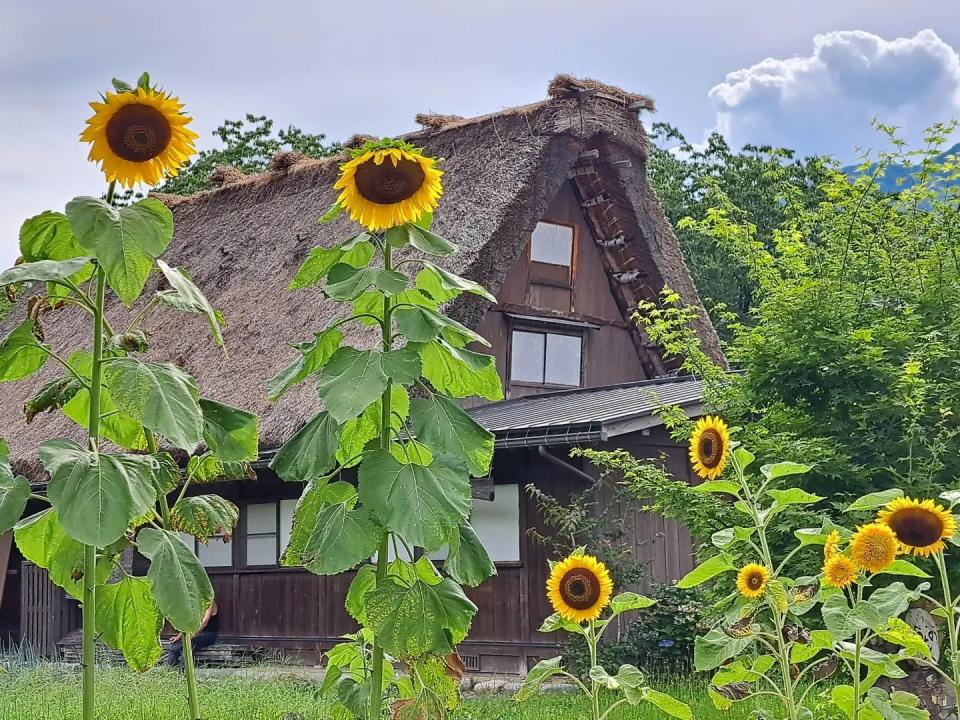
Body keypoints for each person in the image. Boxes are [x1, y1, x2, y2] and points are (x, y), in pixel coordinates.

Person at [167, 599, 219, 668]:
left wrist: (192, 635)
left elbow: (204, 623)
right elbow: (189, 624)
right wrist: (179, 636)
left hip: (209, 634)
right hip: (196, 634)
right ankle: (172, 670)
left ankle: (184, 672)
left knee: (189, 644)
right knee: (175, 645)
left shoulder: (210, 602)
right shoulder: (196, 603)